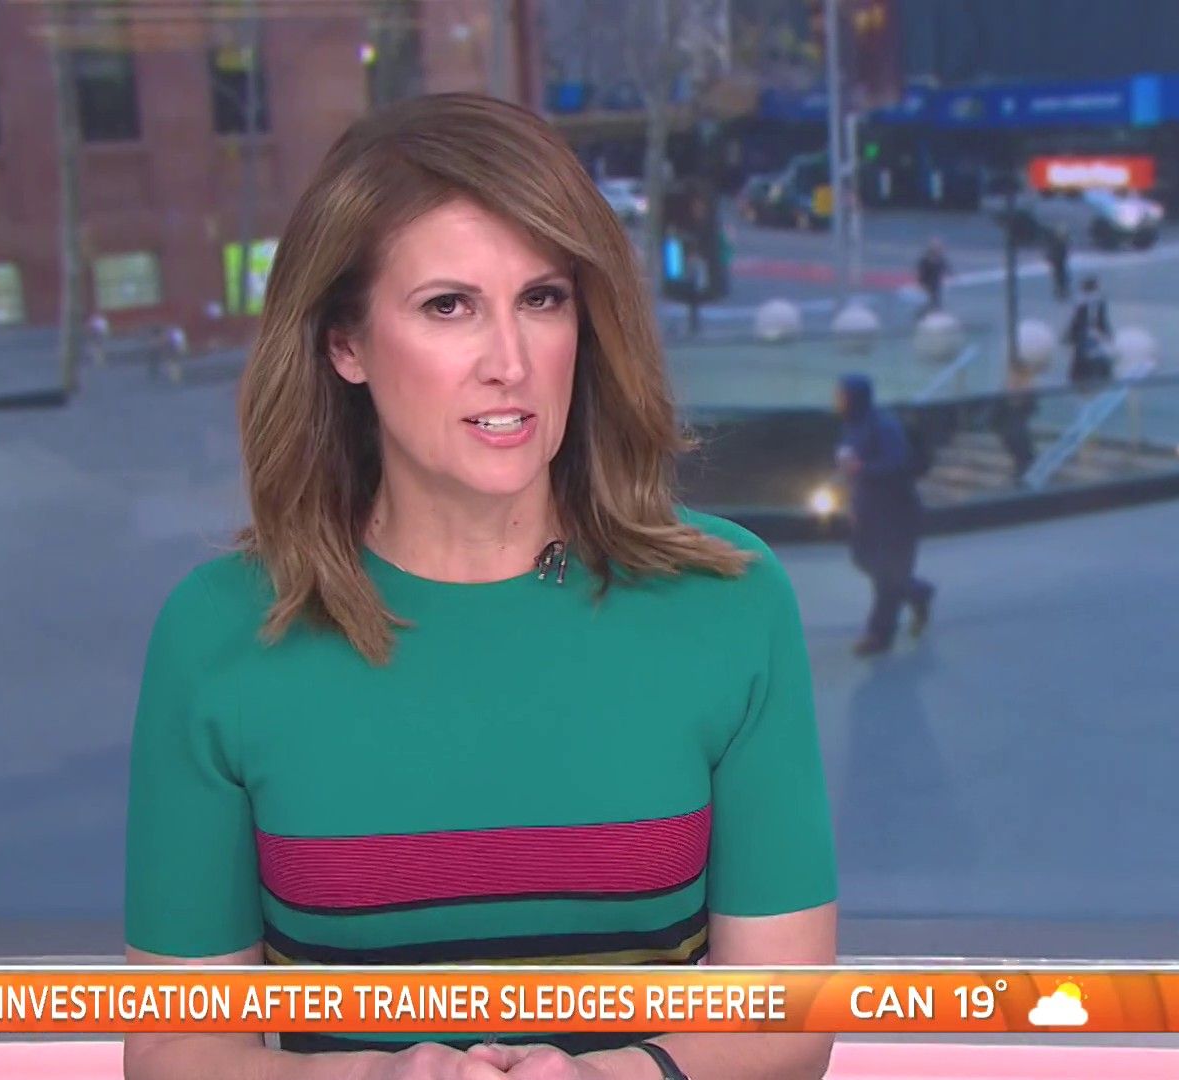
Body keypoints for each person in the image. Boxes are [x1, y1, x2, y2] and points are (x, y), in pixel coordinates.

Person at [124, 93, 838, 1080]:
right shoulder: (220, 633)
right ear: (344, 344)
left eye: (542, 299)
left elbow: (788, 1020)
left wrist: (604, 1078)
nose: (510, 363)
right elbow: (174, 1046)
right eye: (448, 306)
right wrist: (373, 1078)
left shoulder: (731, 603)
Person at [835, 374, 935, 658]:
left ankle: (879, 635)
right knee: (864, 559)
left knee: (887, 576)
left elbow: (897, 464)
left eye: (841, 395)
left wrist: (862, 468)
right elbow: (849, 467)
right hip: (868, 512)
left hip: (896, 513)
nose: (837, 401)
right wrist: (852, 503)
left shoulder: (884, 426)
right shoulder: (851, 426)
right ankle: (918, 592)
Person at [1065, 274, 1113, 391]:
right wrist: (1107, 334)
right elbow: (1100, 321)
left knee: (1083, 357)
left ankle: (1080, 379)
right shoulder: (1097, 301)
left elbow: (1076, 321)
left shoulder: (1081, 301)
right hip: (1090, 334)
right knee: (1094, 355)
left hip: (1084, 335)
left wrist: (1070, 335)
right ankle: (1097, 377)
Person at [916, 237, 951, 313]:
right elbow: (921, 272)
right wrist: (921, 283)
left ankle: (934, 311)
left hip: (935, 283)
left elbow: (947, 269)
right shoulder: (926, 260)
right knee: (930, 300)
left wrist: (950, 275)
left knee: (935, 300)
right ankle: (925, 312)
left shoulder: (940, 259)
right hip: (927, 283)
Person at [1044, 227, 1071, 301]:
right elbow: (1053, 252)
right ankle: (1060, 291)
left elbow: (1062, 252)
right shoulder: (1056, 243)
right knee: (1059, 277)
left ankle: (1061, 291)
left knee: (1060, 277)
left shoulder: (1059, 243)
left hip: (1059, 262)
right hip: (1057, 262)